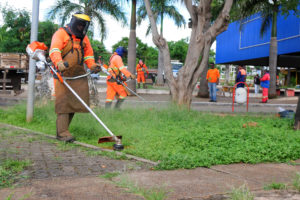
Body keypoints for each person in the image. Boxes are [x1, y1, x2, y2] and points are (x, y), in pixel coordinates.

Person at [49, 13, 101, 142]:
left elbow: (88, 54)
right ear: (74, 22)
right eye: (79, 24)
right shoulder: (61, 34)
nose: (81, 27)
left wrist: (92, 65)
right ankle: (62, 133)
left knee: (74, 104)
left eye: (84, 25)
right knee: (64, 104)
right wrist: (59, 62)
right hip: (63, 75)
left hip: (77, 75)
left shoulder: (83, 38)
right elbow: (54, 50)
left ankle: (64, 131)